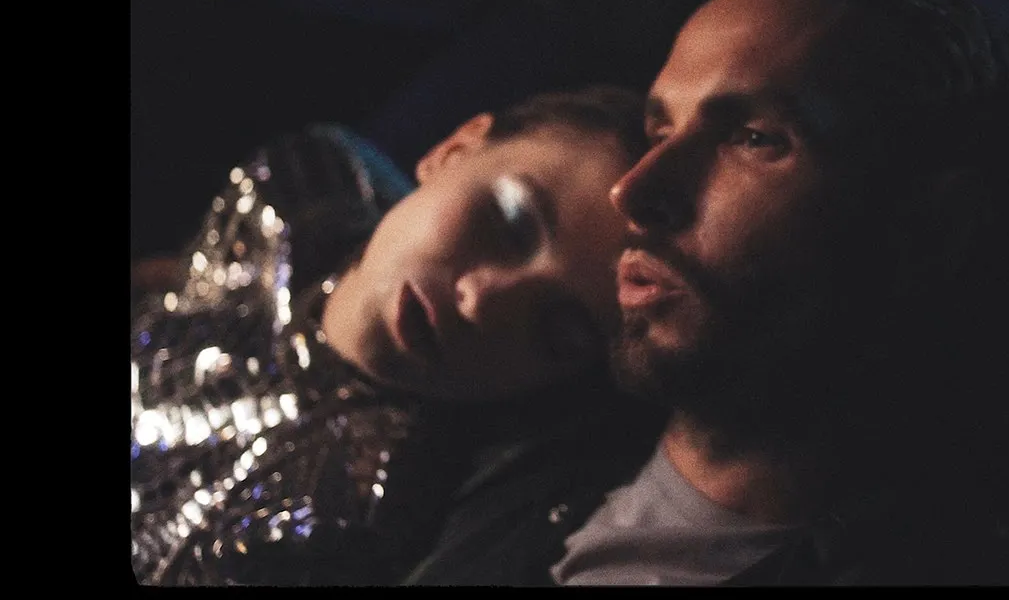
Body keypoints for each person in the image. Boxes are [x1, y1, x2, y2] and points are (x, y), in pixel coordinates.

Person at [408, 0, 1009, 586]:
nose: (636, 191)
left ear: (929, 229)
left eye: (754, 139)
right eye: (659, 133)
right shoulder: (516, 433)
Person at [130, 85, 663, 585]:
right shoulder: (304, 184)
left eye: (557, 332)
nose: (482, 300)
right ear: (453, 151)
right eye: (509, 223)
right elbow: (194, 284)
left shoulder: (350, 519)